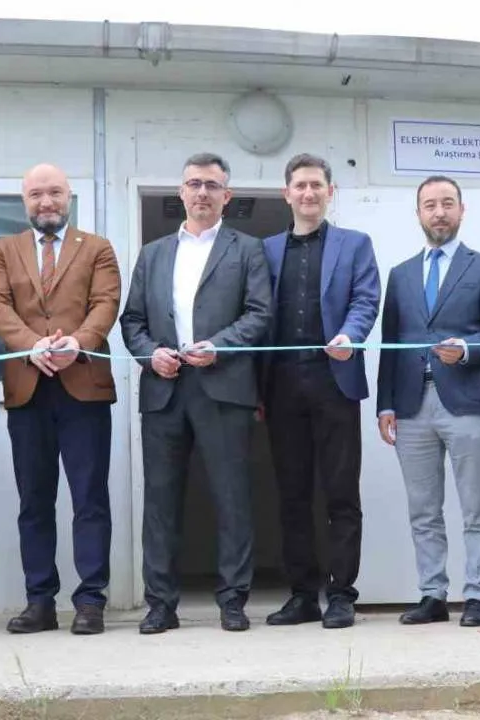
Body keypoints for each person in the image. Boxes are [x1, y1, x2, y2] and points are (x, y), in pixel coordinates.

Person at [120, 152, 272, 634]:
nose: (202, 192)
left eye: (211, 185)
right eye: (194, 184)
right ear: (181, 192)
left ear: (227, 195)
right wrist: (150, 355)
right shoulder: (153, 253)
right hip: (164, 389)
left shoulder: (248, 250)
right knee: (160, 502)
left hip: (223, 388)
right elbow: (132, 320)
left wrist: (219, 346)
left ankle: (233, 600)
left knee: (232, 498)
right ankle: (160, 604)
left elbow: (260, 313)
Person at [0, 163, 121, 635]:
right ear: (24, 200)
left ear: (69, 197)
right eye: (37, 194)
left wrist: (75, 344)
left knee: (89, 498)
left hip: (83, 386)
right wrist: (33, 346)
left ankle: (90, 601)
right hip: (28, 389)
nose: (46, 202)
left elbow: (105, 303)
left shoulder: (97, 248)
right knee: (34, 500)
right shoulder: (3, 250)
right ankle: (39, 601)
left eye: (55, 193)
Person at [376, 175, 480, 628]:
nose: (439, 212)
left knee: (476, 506)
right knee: (423, 509)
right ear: (418, 213)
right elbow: (391, 343)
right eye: (430, 205)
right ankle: (432, 594)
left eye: (447, 203)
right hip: (411, 405)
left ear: (461, 209)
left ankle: (477, 595)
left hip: (466, 402)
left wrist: (468, 348)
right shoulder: (400, 274)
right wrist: (385, 404)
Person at [261, 154, 379, 630]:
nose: (308, 193)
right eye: (300, 185)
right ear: (286, 194)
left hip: (335, 381)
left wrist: (351, 335)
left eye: (316, 185)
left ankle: (342, 594)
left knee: (341, 492)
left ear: (330, 192)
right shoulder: (265, 250)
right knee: (292, 494)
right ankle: (302, 595)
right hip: (281, 384)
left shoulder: (355, 244)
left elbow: (366, 299)